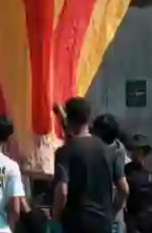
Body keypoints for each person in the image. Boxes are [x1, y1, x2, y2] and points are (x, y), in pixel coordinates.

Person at [53, 98, 127, 233]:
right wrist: (111, 212)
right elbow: (124, 189)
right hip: (102, 223)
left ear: (69, 119)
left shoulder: (65, 151)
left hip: (75, 223)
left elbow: (62, 191)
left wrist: (55, 219)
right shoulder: (108, 150)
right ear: (90, 118)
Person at [123, 135, 152, 233]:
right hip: (134, 218)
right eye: (133, 150)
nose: (134, 154)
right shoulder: (127, 170)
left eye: (138, 150)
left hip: (150, 217)